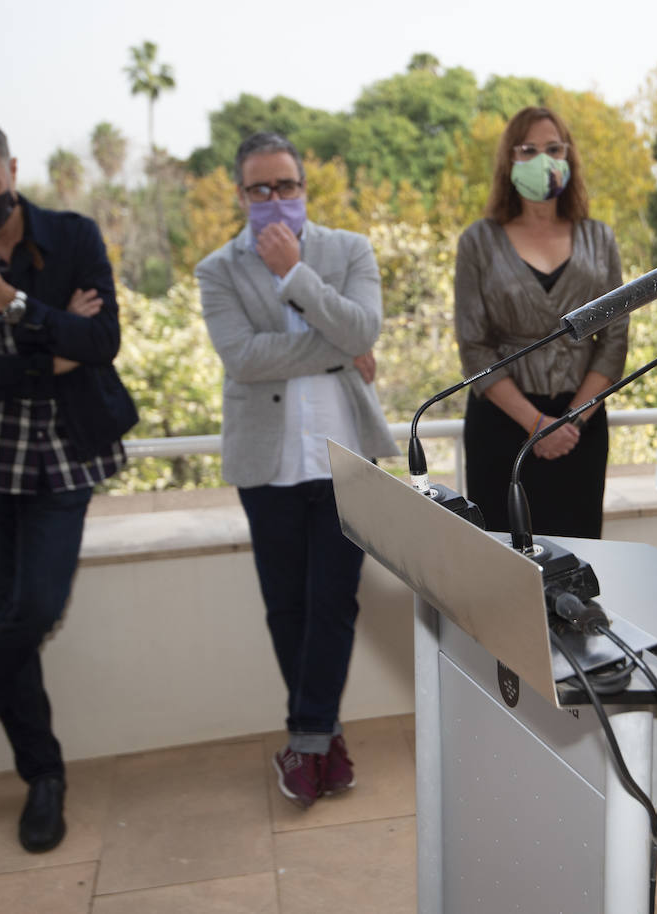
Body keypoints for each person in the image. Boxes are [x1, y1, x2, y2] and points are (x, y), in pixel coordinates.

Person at [0, 111, 138, 853]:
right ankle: (45, 777)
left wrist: (7, 303)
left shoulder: (71, 236)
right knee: (5, 622)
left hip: (63, 455)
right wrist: (51, 348)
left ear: (11, 168)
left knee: (34, 607)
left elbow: (103, 342)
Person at [196, 131, 397, 810]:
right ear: (240, 193)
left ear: (304, 187)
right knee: (287, 606)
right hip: (267, 463)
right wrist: (337, 350)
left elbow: (363, 331)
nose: (274, 199)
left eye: (286, 185)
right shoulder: (217, 269)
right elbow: (244, 360)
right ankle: (324, 739)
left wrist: (295, 276)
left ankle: (306, 742)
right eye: (260, 188)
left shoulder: (349, 251)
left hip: (345, 459)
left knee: (335, 601)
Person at [454, 106, 627, 537]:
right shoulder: (478, 241)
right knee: (501, 566)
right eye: (528, 149)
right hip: (501, 425)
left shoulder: (599, 238)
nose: (542, 160)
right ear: (509, 161)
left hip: (581, 427)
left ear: (569, 158)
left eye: (554, 148)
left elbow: (615, 338)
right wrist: (535, 425)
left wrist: (572, 420)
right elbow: (474, 347)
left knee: (579, 561)